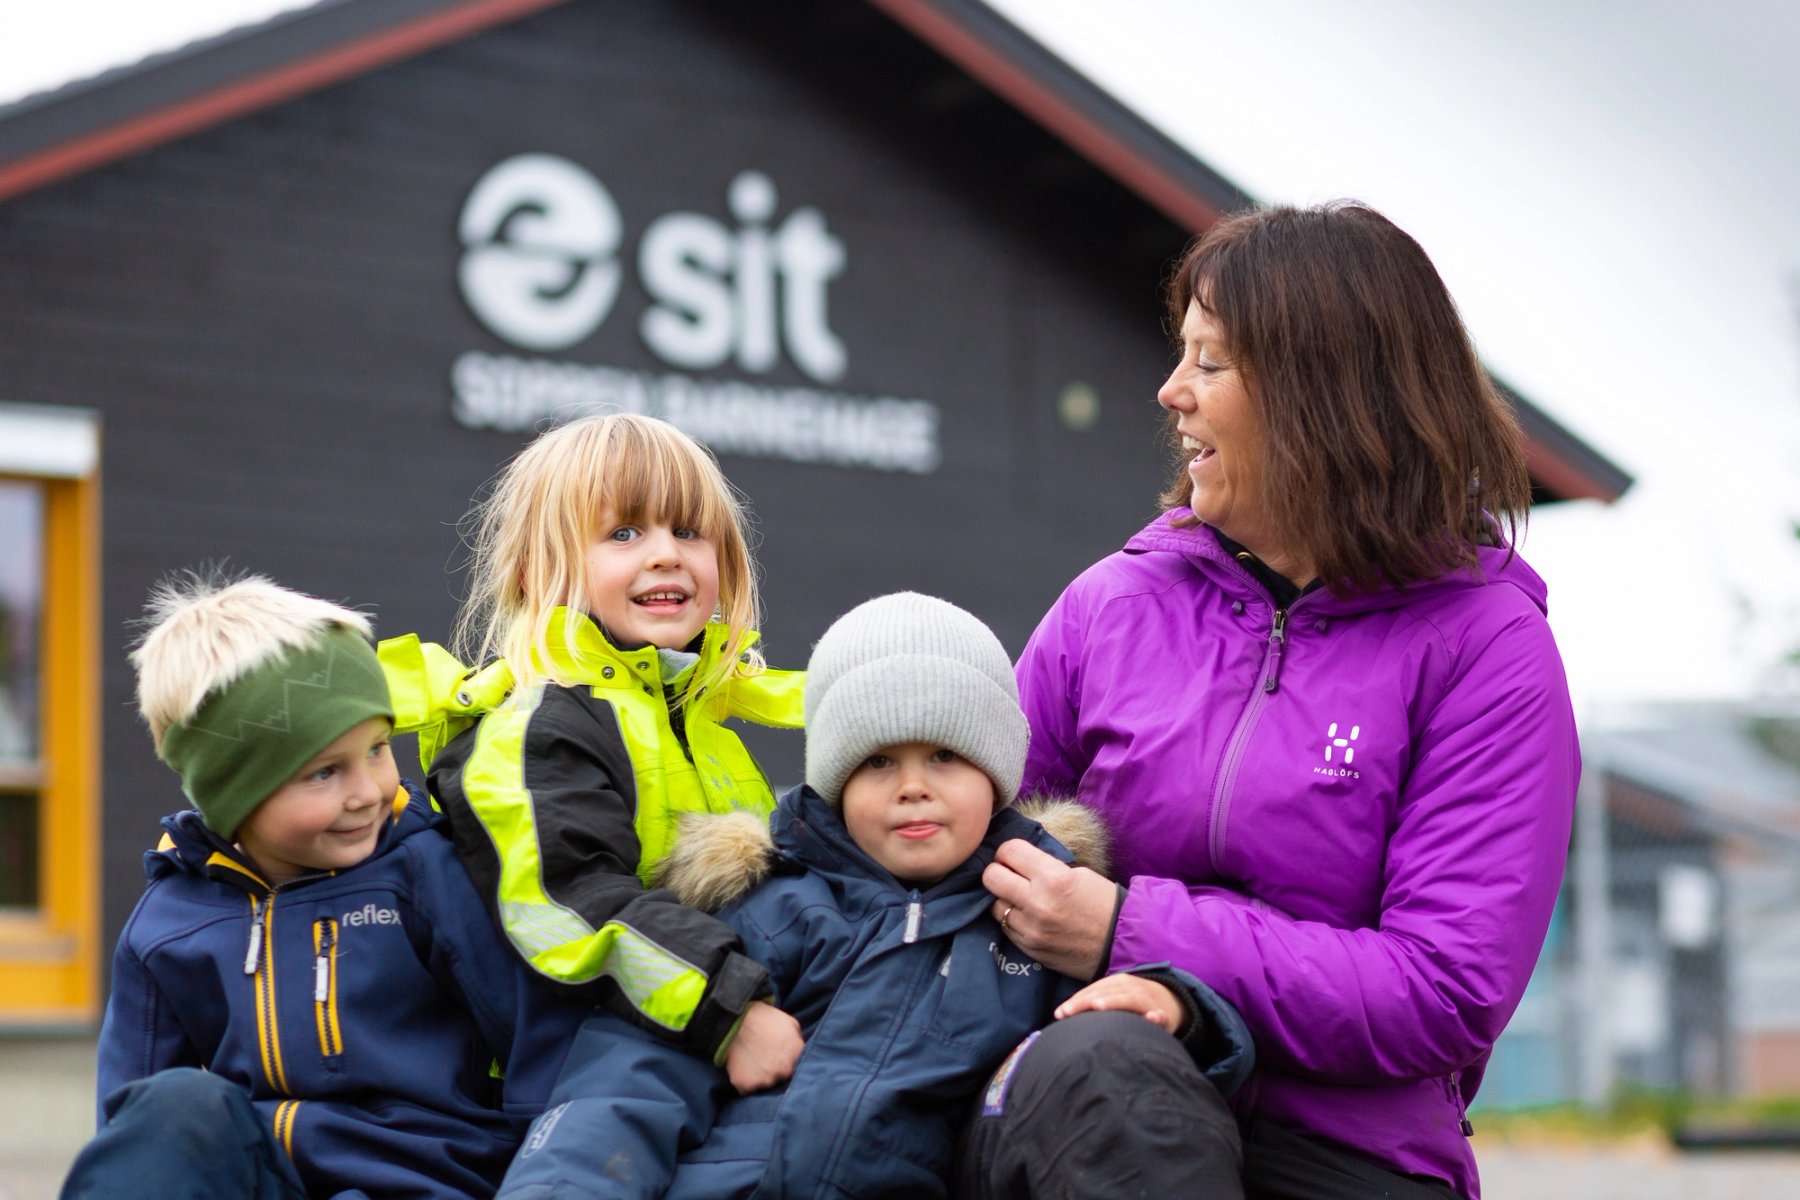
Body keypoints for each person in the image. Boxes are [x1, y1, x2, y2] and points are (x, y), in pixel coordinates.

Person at [969, 203, 1580, 1200]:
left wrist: (1133, 933)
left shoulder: (1489, 649)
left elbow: (1444, 988)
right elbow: (959, 844)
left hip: (1344, 1151)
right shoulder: (1107, 607)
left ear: (1321, 398)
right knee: (1104, 1074)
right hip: (1093, 1104)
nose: (1171, 393)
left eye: (1210, 364)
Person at [493, 592, 1252, 1200]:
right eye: (879, 760)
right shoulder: (765, 907)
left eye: (946, 754)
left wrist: (1180, 1009)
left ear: (996, 774)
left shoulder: (1041, 909)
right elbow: (625, 1090)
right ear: (834, 779)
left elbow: (1122, 1084)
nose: (913, 785)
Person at [62, 574, 585, 1200]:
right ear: (236, 792)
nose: (367, 789)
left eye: (378, 747)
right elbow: (134, 1129)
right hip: (270, 1179)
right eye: (324, 772)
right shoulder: (172, 922)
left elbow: (542, 1043)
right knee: (176, 1107)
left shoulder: (425, 871)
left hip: (428, 1179)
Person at [378, 413, 807, 1088]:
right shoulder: (534, 728)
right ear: (531, 575)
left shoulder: (700, 721)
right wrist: (728, 1010)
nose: (666, 553)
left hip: (708, 1047)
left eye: (689, 531)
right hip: (586, 1077)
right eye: (625, 533)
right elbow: (571, 900)